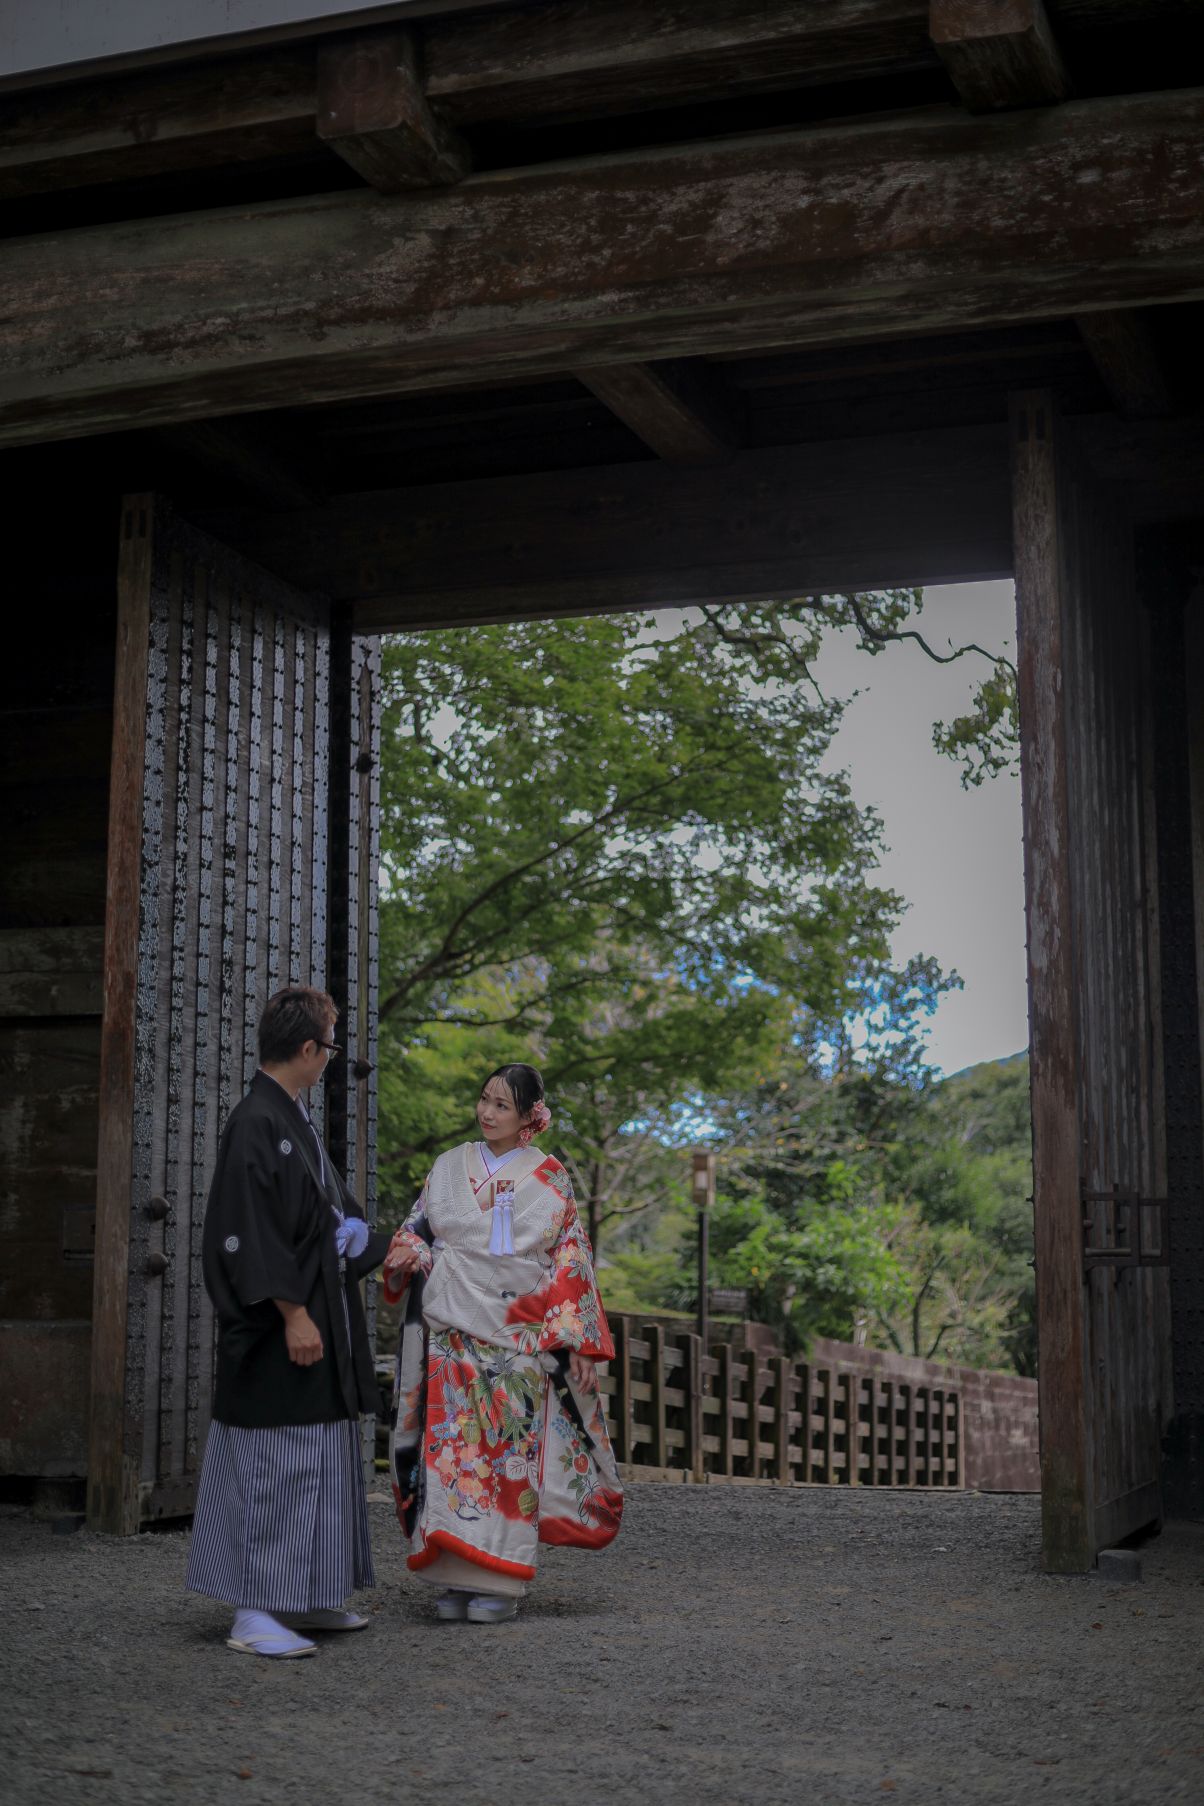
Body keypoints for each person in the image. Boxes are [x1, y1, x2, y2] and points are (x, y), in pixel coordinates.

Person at [185, 985, 389, 1659]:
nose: (331, 1057)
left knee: (320, 1461)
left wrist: (370, 1240)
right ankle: (255, 1610)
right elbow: (246, 1231)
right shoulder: (255, 1120)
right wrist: (294, 1312)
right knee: (277, 1466)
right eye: (330, 1045)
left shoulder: (289, 1118)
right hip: (281, 1328)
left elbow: (327, 1216)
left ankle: (301, 1595)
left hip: (313, 1318)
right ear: (309, 1049)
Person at [384, 1063, 623, 1623]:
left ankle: (499, 1579)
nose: (487, 1113)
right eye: (484, 1100)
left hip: (514, 1336)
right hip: (448, 1331)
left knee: (506, 1451)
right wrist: (406, 1253)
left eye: (501, 1106)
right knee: (448, 1452)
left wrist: (577, 1341)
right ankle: (451, 1574)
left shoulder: (552, 1177)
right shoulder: (448, 1167)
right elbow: (417, 1229)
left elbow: (571, 1259)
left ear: (527, 1119)